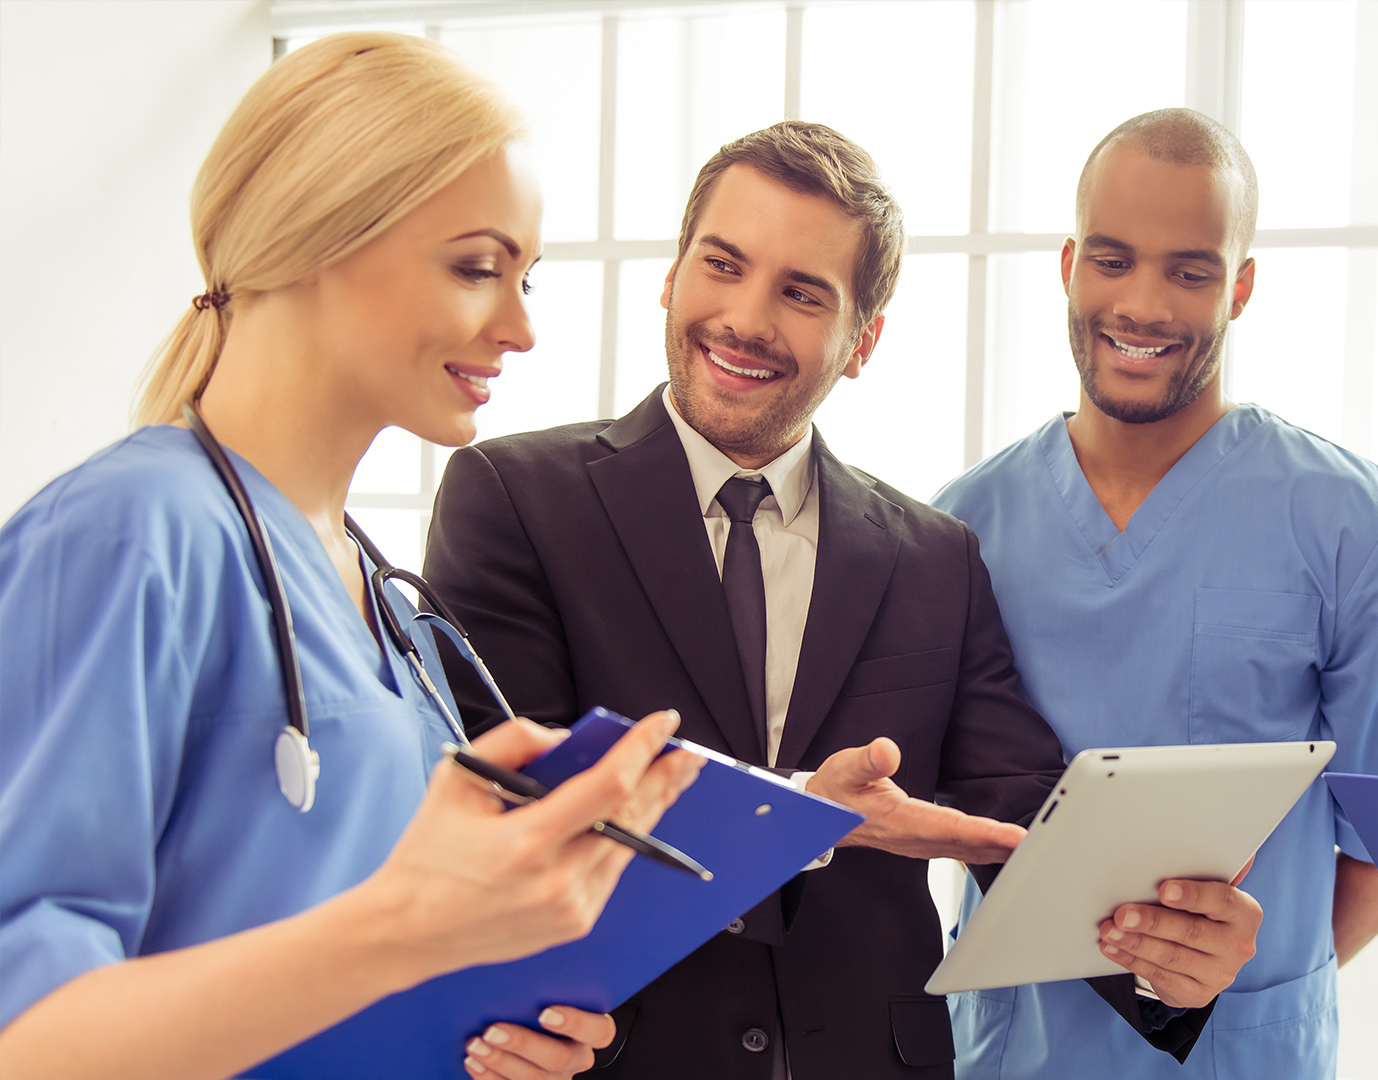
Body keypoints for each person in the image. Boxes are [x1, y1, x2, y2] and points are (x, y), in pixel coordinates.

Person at [422, 120, 1262, 1079]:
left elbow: (1019, 817)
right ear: (672, 276)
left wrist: (1164, 956)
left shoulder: (934, 557)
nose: (746, 319)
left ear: (862, 341)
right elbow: (511, 816)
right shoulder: (515, 500)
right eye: (722, 265)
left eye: (801, 293)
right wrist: (795, 818)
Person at [0, 33, 704, 1080]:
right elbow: (26, 1039)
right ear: (313, 235)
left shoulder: (386, 601)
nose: (520, 328)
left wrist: (484, 1026)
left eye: (527, 279)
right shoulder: (125, 536)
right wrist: (412, 930)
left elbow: (348, 961)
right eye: (477, 268)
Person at [931, 107, 1378, 1078]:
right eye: (1112, 260)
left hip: (1239, 1055)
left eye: (1190, 271)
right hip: (1010, 1056)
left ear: (1241, 287)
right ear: (1068, 266)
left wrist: (1240, 994)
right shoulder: (961, 527)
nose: (1143, 305)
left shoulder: (1352, 524)